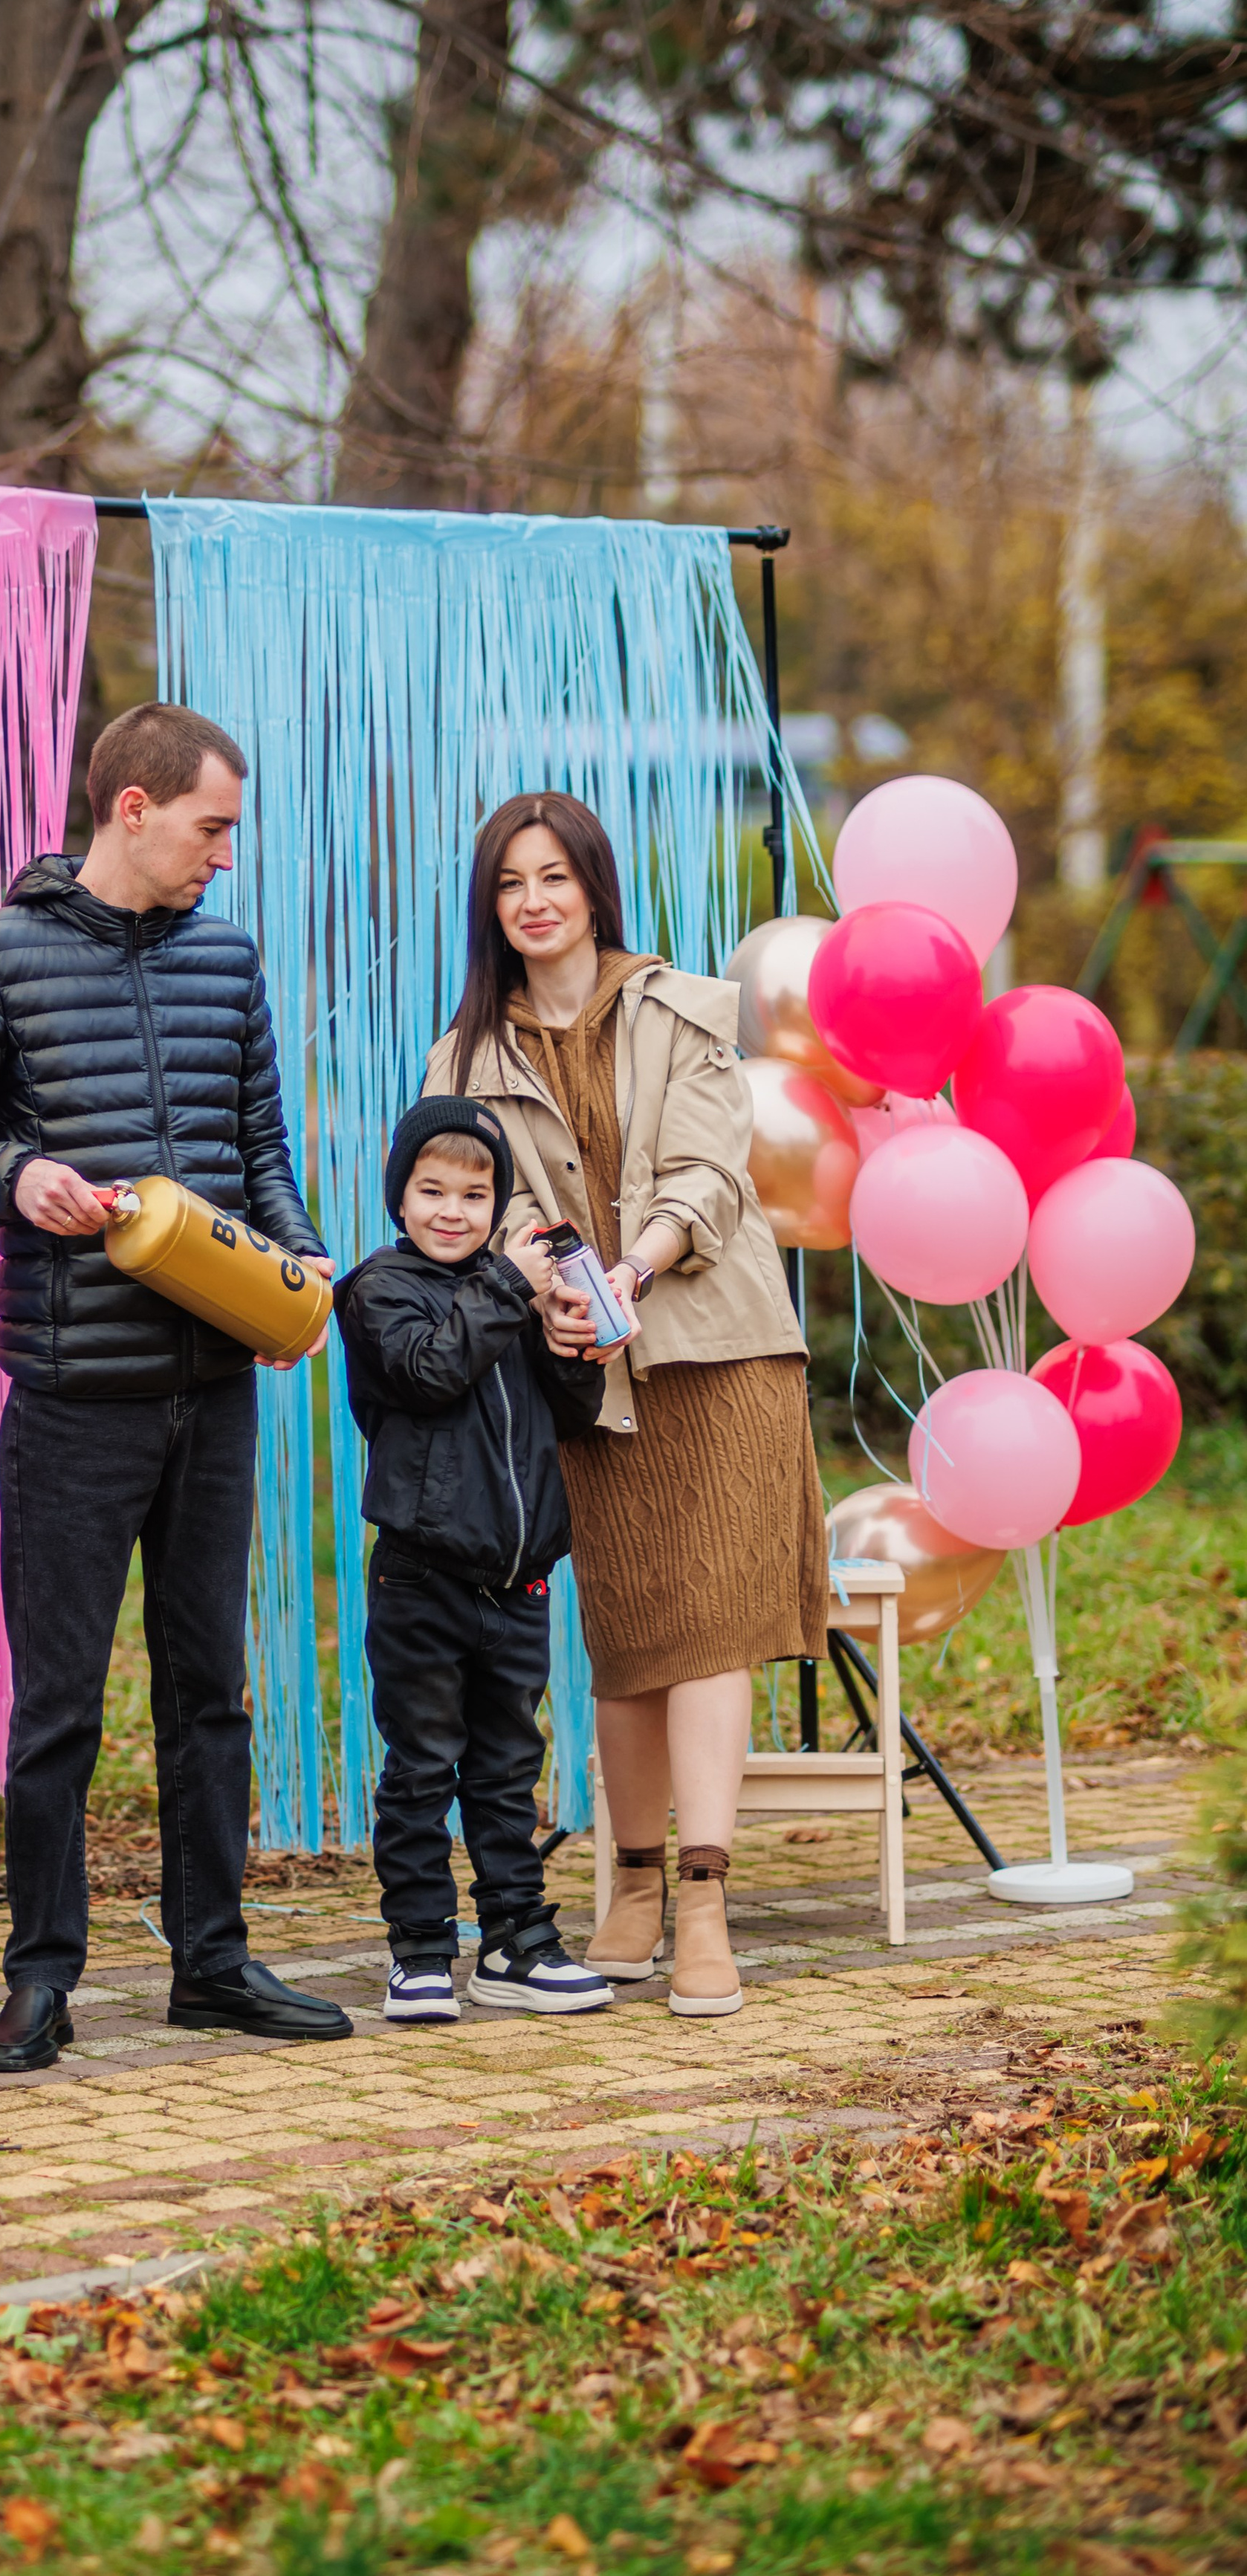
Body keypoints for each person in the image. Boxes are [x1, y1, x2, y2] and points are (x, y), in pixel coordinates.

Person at [0, 701, 350, 2071]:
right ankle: (41, 1978)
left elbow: (260, 1153)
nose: (227, 856)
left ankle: (215, 1964)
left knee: (213, 1693)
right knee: (60, 1704)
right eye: (214, 827)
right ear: (132, 811)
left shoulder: (228, 960)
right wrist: (12, 1174)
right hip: (76, 1400)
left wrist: (297, 1266)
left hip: (218, 1388)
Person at [424, 792, 828, 2019]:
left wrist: (633, 1269)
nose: (536, 900)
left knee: (707, 1627)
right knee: (629, 1636)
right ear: (492, 906)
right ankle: (635, 1883)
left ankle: (702, 1897)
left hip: (716, 1356)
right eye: (511, 884)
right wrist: (544, 1285)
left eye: (557, 877)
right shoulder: (467, 1057)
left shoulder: (689, 1008)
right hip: (582, 1374)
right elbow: (478, 1205)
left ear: (596, 886)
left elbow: (712, 1175)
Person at [334, 1097, 612, 2025]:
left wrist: (573, 1340)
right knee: (421, 1771)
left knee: (504, 1773)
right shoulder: (381, 1290)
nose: (452, 1211)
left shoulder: (511, 1297)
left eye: (473, 1193)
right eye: (432, 1191)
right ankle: (418, 1954)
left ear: (498, 1205)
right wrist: (507, 1291)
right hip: (421, 1580)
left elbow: (566, 1419)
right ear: (400, 1197)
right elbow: (426, 1371)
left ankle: (516, 1944)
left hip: (518, 1583)